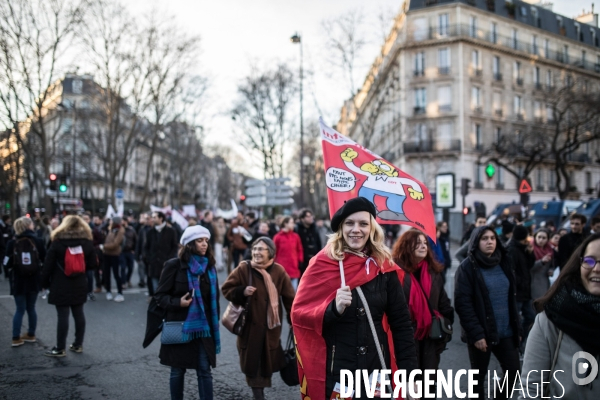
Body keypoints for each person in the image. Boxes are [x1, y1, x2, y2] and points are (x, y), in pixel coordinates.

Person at [291, 197, 418, 399]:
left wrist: (409, 376)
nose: (356, 229)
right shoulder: (322, 264)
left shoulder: (383, 267)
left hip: (377, 370)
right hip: (339, 372)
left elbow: (401, 324)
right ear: (341, 228)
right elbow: (300, 315)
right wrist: (333, 309)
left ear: (372, 228)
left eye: (363, 224)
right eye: (349, 223)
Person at [519, 233, 600, 399]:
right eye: (589, 261)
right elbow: (531, 390)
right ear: (579, 265)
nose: (597, 268)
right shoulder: (551, 318)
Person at [222, 237, 295, 400]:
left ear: (271, 252)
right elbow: (226, 289)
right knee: (254, 368)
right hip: (249, 329)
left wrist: (293, 322)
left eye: (260, 249)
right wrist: (241, 291)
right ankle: (259, 396)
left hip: (271, 330)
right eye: (254, 249)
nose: (256, 252)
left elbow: (290, 298)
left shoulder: (279, 271)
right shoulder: (243, 269)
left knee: (266, 365)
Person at [454, 226, 522, 399]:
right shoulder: (467, 267)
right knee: (478, 379)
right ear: (476, 242)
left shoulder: (504, 261)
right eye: (484, 238)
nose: (489, 242)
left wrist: (517, 328)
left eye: (492, 238)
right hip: (481, 333)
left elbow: (512, 298)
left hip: (506, 331)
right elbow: (463, 304)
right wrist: (476, 334)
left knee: (513, 373)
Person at [155, 225, 220, 400]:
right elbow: (160, 296)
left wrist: (214, 330)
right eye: (200, 241)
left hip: (203, 329)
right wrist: (178, 303)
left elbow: (215, 301)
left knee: (204, 370)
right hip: (180, 325)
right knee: (177, 371)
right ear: (190, 244)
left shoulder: (210, 268)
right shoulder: (174, 266)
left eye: (206, 240)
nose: (204, 244)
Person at [392, 229, 454, 381]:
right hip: (405, 339)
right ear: (406, 246)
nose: (423, 246)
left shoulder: (433, 272)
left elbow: (444, 304)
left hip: (430, 339)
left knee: (429, 385)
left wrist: (445, 328)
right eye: (417, 243)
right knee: (408, 385)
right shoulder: (395, 273)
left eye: (425, 243)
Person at [41, 215, 97, 357]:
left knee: (63, 316)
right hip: (79, 282)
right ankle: (78, 344)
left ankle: (60, 348)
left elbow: (48, 265)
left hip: (60, 282)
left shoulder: (57, 242)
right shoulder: (87, 242)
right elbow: (93, 264)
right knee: (79, 313)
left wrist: (44, 283)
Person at [3, 217, 46, 347]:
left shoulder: (12, 242)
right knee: (31, 308)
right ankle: (31, 334)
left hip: (18, 280)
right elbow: (45, 258)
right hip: (34, 278)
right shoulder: (38, 241)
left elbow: (6, 263)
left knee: (19, 309)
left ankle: (16, 337)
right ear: (28, 226)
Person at [506, 225, 536, 348]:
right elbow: (510, 271)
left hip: (524, 292)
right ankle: (515, 344)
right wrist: (520, 283)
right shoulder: (512, 250)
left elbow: (528, 266)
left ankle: (520, 340)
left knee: (529, 317)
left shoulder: (522, 248)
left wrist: (530, 253)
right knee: (515, 320)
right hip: (517, 291)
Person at [144, 211, 179, 296]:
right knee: (155, 286)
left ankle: (165, 303)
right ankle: (157, 303)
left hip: (166, 264)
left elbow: (175, 246)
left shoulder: (171, 231)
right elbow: (146, 247)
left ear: (161, 218)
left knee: (167, 286)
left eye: (154, 217)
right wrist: (149, 258)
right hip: (154, 264)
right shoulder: (150, 232)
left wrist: (169, 259)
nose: (152, 219)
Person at [273, 216, 304, 290]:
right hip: (282, 268)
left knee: (294, 292)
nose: (293, 225)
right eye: (291, 223)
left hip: (294, 267)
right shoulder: (277, 237)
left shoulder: (295, 236)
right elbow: (273, 252)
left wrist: (300, 261)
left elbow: (300, 249)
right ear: (285, 224)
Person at [102, 216, 125, 302]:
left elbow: (115, 244)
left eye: (111, 220)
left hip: (114, 254)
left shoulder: (120, 230)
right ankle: (108, 291)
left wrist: (103, 246)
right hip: (106, 254)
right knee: (106, 274)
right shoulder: (111, 229)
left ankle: (120, 293)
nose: (110, 222)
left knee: (116, 274)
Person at [295, 208, 322, 275]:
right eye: (308, 216)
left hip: (315, 260)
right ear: (302, 219)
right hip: (303, 262)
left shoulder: (315, 228)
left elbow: (318, 243)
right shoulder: (297, 230)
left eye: (311, 216)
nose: (311, 218)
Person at [531, 229, 555, 300]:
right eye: (539, 237)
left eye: (544, 238)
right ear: (535, 237)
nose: (541, 240)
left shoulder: (549, 250)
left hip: (544, 281)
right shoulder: (530, 249)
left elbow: (552, 265)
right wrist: (541, 262)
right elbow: (528, 266)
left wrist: (551, 270)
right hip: (532, 281)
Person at [120, 219, 137, 289]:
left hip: (130, 252)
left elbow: (135, 240)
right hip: (122, 252)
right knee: (123, 268)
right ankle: (123, 282)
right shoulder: (119, 230)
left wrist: (134, 250)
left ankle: (128, 279)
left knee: (131, 268)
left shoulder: (131, 230)